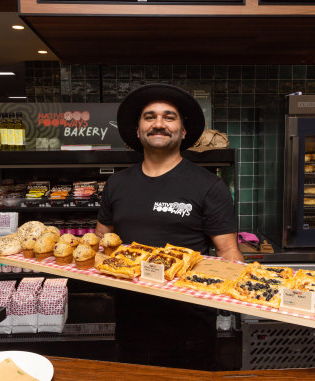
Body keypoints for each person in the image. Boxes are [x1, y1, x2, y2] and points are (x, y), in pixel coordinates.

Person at [95, 83, 244, 370]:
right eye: (149, 117)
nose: (159, 124)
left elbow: (228, 251)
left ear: (184, 131)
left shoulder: (209, 186)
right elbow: (102, 240)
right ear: (138, 131)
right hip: (131, 323)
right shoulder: (117, 184)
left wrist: (247, 291)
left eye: (169, 117)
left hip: (190, 328)